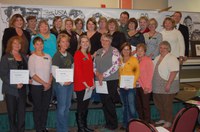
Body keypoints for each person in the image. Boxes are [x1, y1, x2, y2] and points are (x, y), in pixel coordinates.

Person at [0, 36, 28, 132]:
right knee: (12, 114)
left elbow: (26, 71)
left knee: (21, 113)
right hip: (11, 90)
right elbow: (3, 75)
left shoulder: (24, 57)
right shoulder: (5, 57)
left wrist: (29, 79)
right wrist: (14, 85)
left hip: (23, 89)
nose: (17, 45)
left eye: (19, 43)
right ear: (10, 44)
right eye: (15, 43)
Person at [94, 33, 120, 130]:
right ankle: (107, 122)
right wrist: (97, 74)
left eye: (106, 40)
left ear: (110, 41)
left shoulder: (115, 51)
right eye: (102, 40)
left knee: (109, 102)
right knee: (104, 102)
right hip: (100, 81)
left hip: (110, 80)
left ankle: (113, 124)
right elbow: (93, 65)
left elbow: (116, 66)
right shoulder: (98, 51)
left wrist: (103, 75)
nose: (103, 42)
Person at [153, 41, 179, 128]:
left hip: (167, 84)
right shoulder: (157, 57)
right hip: (157, 86)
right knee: (159, 103)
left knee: (167, 104)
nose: (162, 49)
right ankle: (163, 118)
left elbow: (174, 71)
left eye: (165, 48)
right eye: (161, 47)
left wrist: (168, 84)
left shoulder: (172, 58)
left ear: (168, 49)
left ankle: (169, 121)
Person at [28, 36, 52, 132]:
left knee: (45, 107)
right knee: (38, 107)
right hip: (36, 86)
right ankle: (38, 128)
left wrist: (49, 83)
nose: (39, 46)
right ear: (34, 46)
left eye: (41, 44)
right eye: (37, 44)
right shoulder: (32, 57)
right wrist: (44, 83)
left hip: (48, 86)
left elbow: (51, 72)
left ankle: (43, 127)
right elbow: (32, 74)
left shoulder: (48, 56)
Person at [52, 34, 73, 132]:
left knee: (67, 107)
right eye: (63, 41)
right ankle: (61, 129)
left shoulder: (69, 55)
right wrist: (63, 82)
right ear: (59, 43)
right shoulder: (56, 55)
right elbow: (54, 71)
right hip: (61, 86)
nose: (65, 43)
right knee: (62, 107)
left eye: (67, 41)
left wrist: (70, 80)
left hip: (69, 84)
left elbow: (73, 68)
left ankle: (64, 128)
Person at [74, 35, 94, 132]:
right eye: (83, 42)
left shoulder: (89, 54)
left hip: (89, 85)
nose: (85, 43)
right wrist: (86, 85)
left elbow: (91, 70)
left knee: (86, 106)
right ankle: (80, 128)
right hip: (81, 85)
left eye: (87, 41)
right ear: (80, 43)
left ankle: (84, 126)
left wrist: (92, 82)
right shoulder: (78, 54)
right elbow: (78, 71)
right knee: (81, 106)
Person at [119, 42, 140, 130]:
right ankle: (125, 124)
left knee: (131, 107)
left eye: (128, 49)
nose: (126, 51)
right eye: (124, 49)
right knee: (124, 106)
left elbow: (137, 73)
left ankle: (136, 124)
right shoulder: (119, 60)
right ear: (122, 50)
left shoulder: (134, 60)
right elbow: (119, 74)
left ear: (130, 51)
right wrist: (119, 85)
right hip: (121, 87)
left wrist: (130, 84)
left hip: (131, 87)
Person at [136, 43, 154, 123]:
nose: (139, 52)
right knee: (139, 105)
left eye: (141, 51)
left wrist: (147, 86)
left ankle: (147, 122)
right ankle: (141, 121)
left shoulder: (148, 60)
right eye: (138, 51)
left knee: (145, 106)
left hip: (145, 87)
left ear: (145, 52)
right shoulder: (135, 60)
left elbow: (150, 75)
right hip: (136, 86)